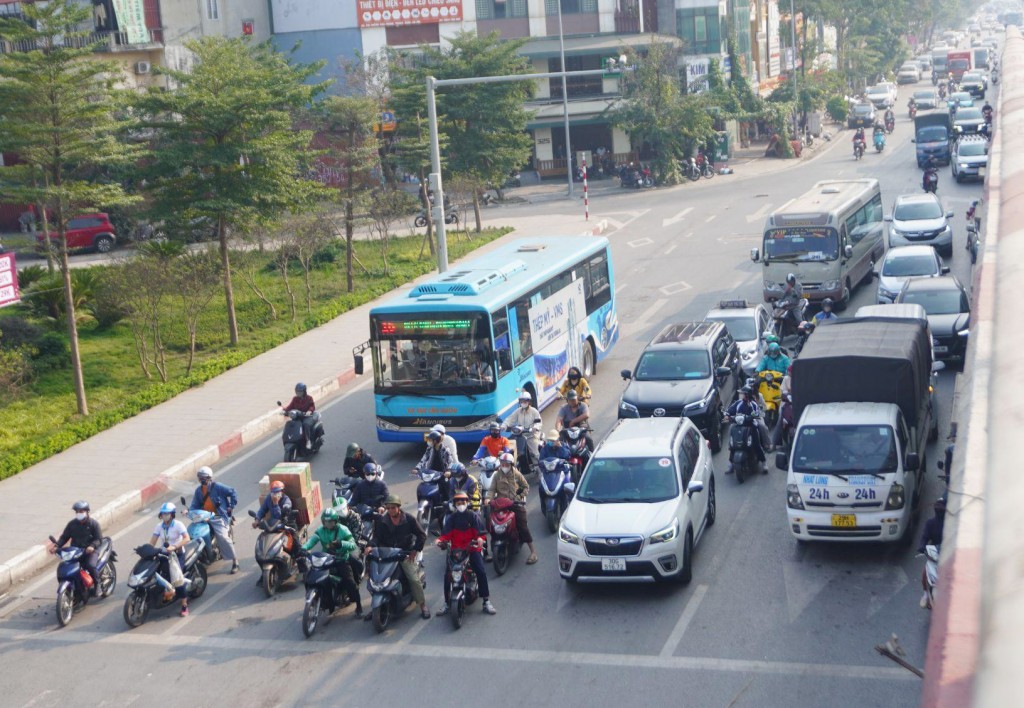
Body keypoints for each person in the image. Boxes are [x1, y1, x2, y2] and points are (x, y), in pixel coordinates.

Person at [366, 494, 430, 620]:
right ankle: (376, 607)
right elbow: (377, 537)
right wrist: (370, 546)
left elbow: (422, 535)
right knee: (375, 579)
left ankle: (422, 605)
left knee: (413, 579)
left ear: (398, 507)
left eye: (393, 508)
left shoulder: (409, 519)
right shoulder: (382, 521)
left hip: (404, 554)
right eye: (388, 508)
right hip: (387, 555)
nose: (390, 510)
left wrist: (415, 550)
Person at [436, 492, 496, 616]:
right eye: (458, 503)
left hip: (472, 549)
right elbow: (445, 535)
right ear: (455, 505)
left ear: (467, 503)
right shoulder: (452, 519)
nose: (461, 505)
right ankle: (446, 603)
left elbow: (480, 533)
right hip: (456, 551)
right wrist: (439, 541)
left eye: (463, 502)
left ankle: (486, 601)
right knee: (448, 575)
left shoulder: (473, 516)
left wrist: (480, 539)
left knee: (480, 571)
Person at [302, 508, 363, 618]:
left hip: (341, 559)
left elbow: (353, 545)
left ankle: (359, 606)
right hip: (326, 559)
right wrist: (304, 548)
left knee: (350, 582)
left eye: (331, 522)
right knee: (310, 576)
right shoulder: (321, 530)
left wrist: (341, 544)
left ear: (336, 521)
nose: (328, 524)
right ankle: (324, 600)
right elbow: (312, 541)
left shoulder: (343, 530)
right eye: (326, 522)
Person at [189, 466, 239, 574]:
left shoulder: (218, 487)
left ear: (209, 478)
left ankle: (235, 561)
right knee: (192, 534)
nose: (201, 480)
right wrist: (189, 511)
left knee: (223, 537)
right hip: (204, 517)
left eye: (203, 477)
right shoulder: (198, 491)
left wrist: (231, 506)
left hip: (218, 516)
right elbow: (194, 505)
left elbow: (233, 492)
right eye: (199, 477)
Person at [490, 452, 538, 564]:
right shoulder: (496, 475)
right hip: (501, 504)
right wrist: (488, 499)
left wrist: (519, 497)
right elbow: (491, 490)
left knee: (523, 527)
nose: (504, 466)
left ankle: (533, 552)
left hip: (515, 504)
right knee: (492, 524)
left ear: (511, 465)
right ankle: (489, 551)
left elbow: (526, 487)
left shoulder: (516, 474)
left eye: (506, 464)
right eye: (502, 464)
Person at [149, 503, 192, 616]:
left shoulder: (178, 525)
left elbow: (187, 538)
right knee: (155, 574)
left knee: (178, 580)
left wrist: (174, 546)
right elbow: (152, 542)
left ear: (172, 514)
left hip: (177, 555)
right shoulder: (159, 526)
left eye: (167, 513)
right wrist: (147, 551)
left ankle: (184, 605)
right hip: (164, 554)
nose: (164, 515)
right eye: (163, 513)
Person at [50, 500, 103, 590]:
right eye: (77, 511)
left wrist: (92, 546)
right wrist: (57, 546)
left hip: (90, 551)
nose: (79, 513)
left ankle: (98, 584)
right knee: (66, 566)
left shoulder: (94, 524)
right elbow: (64, 537)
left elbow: (98, 539)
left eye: (81, 511)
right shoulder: (72, 524)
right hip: (76, 551)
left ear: (87, 511)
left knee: (90, 565)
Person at [726, 387, 767, 474]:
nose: (741, 395)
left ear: (747, 395)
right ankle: (731, 464)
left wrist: (753, 416)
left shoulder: (753, 404)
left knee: (756, 444)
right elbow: (729, 411)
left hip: (751, 426)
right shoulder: (738, 403)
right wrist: (727, 415)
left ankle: (764, 463)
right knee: (733, 445)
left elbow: (756, 413)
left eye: (743, 394)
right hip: (739, 426)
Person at [502, 390, 542, 469]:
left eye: (525, 401)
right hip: (520, 436)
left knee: (534, 453)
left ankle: (539, 470)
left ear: (529, 401)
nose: (523, 402)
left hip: (531, 435)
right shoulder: (518, 411)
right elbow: (510, 419)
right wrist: (504, 426)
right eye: (521, 401)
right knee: (510, 449)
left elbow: (539, 422)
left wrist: (535, 428)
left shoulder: (534, 411)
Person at [283, 382, 317, 449]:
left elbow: (312, 406)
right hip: (298, 417)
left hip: (307, 417)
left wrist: (309, 411)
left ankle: (308, 441)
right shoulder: (295, 399)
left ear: (304, 392)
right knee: (291, 424)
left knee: (306, 424)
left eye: (300, 392)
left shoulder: (309, 398)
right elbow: (290, 406)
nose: (298, 393)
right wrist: (285, 411)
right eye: (297, 392)